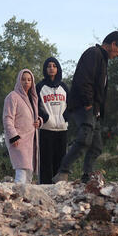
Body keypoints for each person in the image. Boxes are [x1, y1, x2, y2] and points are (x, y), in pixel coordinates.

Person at [52, 31, 118, 183]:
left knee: (97, 146)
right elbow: (84, 79)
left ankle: (87, 176)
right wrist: (88, 103)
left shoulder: (103, 59)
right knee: (84, 137)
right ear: (113, 44)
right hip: (84, 105)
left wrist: (98, 110)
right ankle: (62, 172)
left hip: (94, 110)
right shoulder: (93, 54)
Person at [2, 69, 42, 184]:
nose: (26, 82)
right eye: (23, 79)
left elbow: (36, 115)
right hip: (18, 140)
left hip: (31, 140)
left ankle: (25, 199)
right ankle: (17, 196)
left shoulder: (32, 98)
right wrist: (13, 136)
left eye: (29, 80)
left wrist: (39, 121)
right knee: (21, 171)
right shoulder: (12, 96)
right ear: (19, 81)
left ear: (32, 82)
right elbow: (7, 118)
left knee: (29, 173)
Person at [36, 57, 69, 185]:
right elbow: (35, 106)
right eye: (49, 66)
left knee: (61, 159)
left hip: (62, 128)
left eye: (54, 66)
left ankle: (60, 186)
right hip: (46, 129)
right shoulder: (40, 86)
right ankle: (45, 185)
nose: (51, 68)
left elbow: (70, 104)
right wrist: (45, 118)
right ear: (45, 69)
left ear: (58, 69)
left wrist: (64, 118)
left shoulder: (64, 87)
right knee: (46, 160)